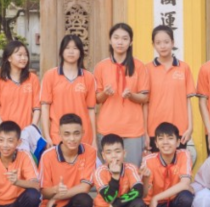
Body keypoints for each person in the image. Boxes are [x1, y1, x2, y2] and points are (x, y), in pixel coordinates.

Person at [36, 113, 97, 207]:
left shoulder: (90, 152)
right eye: (67, 134)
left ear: (83, 133)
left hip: (71, 204)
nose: (72, 139)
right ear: (59, 135)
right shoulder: (48, 156)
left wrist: (57, 197)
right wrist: (55, 191)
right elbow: (43, 192)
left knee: (85, 200)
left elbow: (85, 187)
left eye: (76, 133)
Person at [93, 24, 149, 166]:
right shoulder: (101, 66)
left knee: (132, 172)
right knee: (109, 173)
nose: (120, 42)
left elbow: (145, 97)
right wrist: (105, 93)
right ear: (110, 40)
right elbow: (96, 99)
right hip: (107, 128)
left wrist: (131, 96)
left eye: (124, 39)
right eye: (116, 38)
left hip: (133, 129)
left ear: (130, 42)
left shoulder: (139, 66)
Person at [141, 121, 195, 207]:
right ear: (156, 143)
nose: (165, 142)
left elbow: (185, 183)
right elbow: (144, 194)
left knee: (186, 197)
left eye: (170, 138)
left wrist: (156, 198)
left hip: (173, 203)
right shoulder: (148, 160)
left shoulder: (184, 155)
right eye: (161, 139)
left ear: (178, 142)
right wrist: (151, 195)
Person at [143, 25, 196, 153]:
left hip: (179, 130)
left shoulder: (184, 68)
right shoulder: (147, 69)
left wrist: (190, 127)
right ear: (153, 45)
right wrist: (145, 132)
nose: (163, 46)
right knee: (156, 164)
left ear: (173, 43)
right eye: (158, 43)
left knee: (178, 164)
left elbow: (188, 101)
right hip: (154, 130)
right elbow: (145, 103)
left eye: (166, 42)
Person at [40, 34, 97, 147]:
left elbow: (91, 110)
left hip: (83, 137)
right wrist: (47, 136)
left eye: (75, 48)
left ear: (80, 52)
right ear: (61, 51)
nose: (71, 52)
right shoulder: (50, 75)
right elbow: (45, 107)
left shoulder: (89, 77)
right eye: (67, 48)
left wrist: (94, 140)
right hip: (58, 136)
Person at [0, 40, 40, 135]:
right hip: (5, 135)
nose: (23, 58)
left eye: (26, 55)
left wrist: (32, 129)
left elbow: (37, 107)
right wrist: (4, 130)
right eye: (19, 55)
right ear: (9, 58)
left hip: (27, 134)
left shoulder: (33, 79)